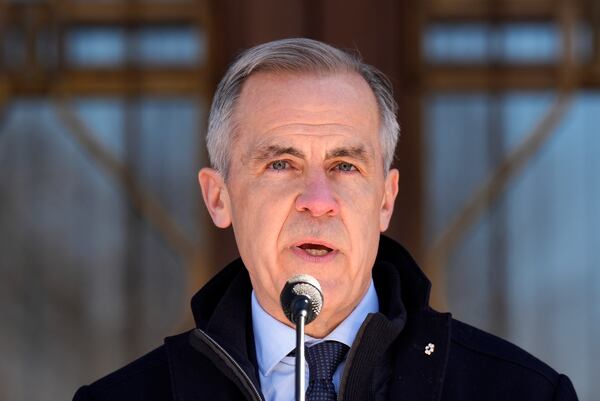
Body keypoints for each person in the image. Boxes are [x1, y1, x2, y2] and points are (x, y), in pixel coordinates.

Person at [73, 38, 578, 401]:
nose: (318, 200)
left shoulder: (524, 392)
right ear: (218, 197)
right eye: (281, 164)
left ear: (385, 199)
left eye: (344, 165)